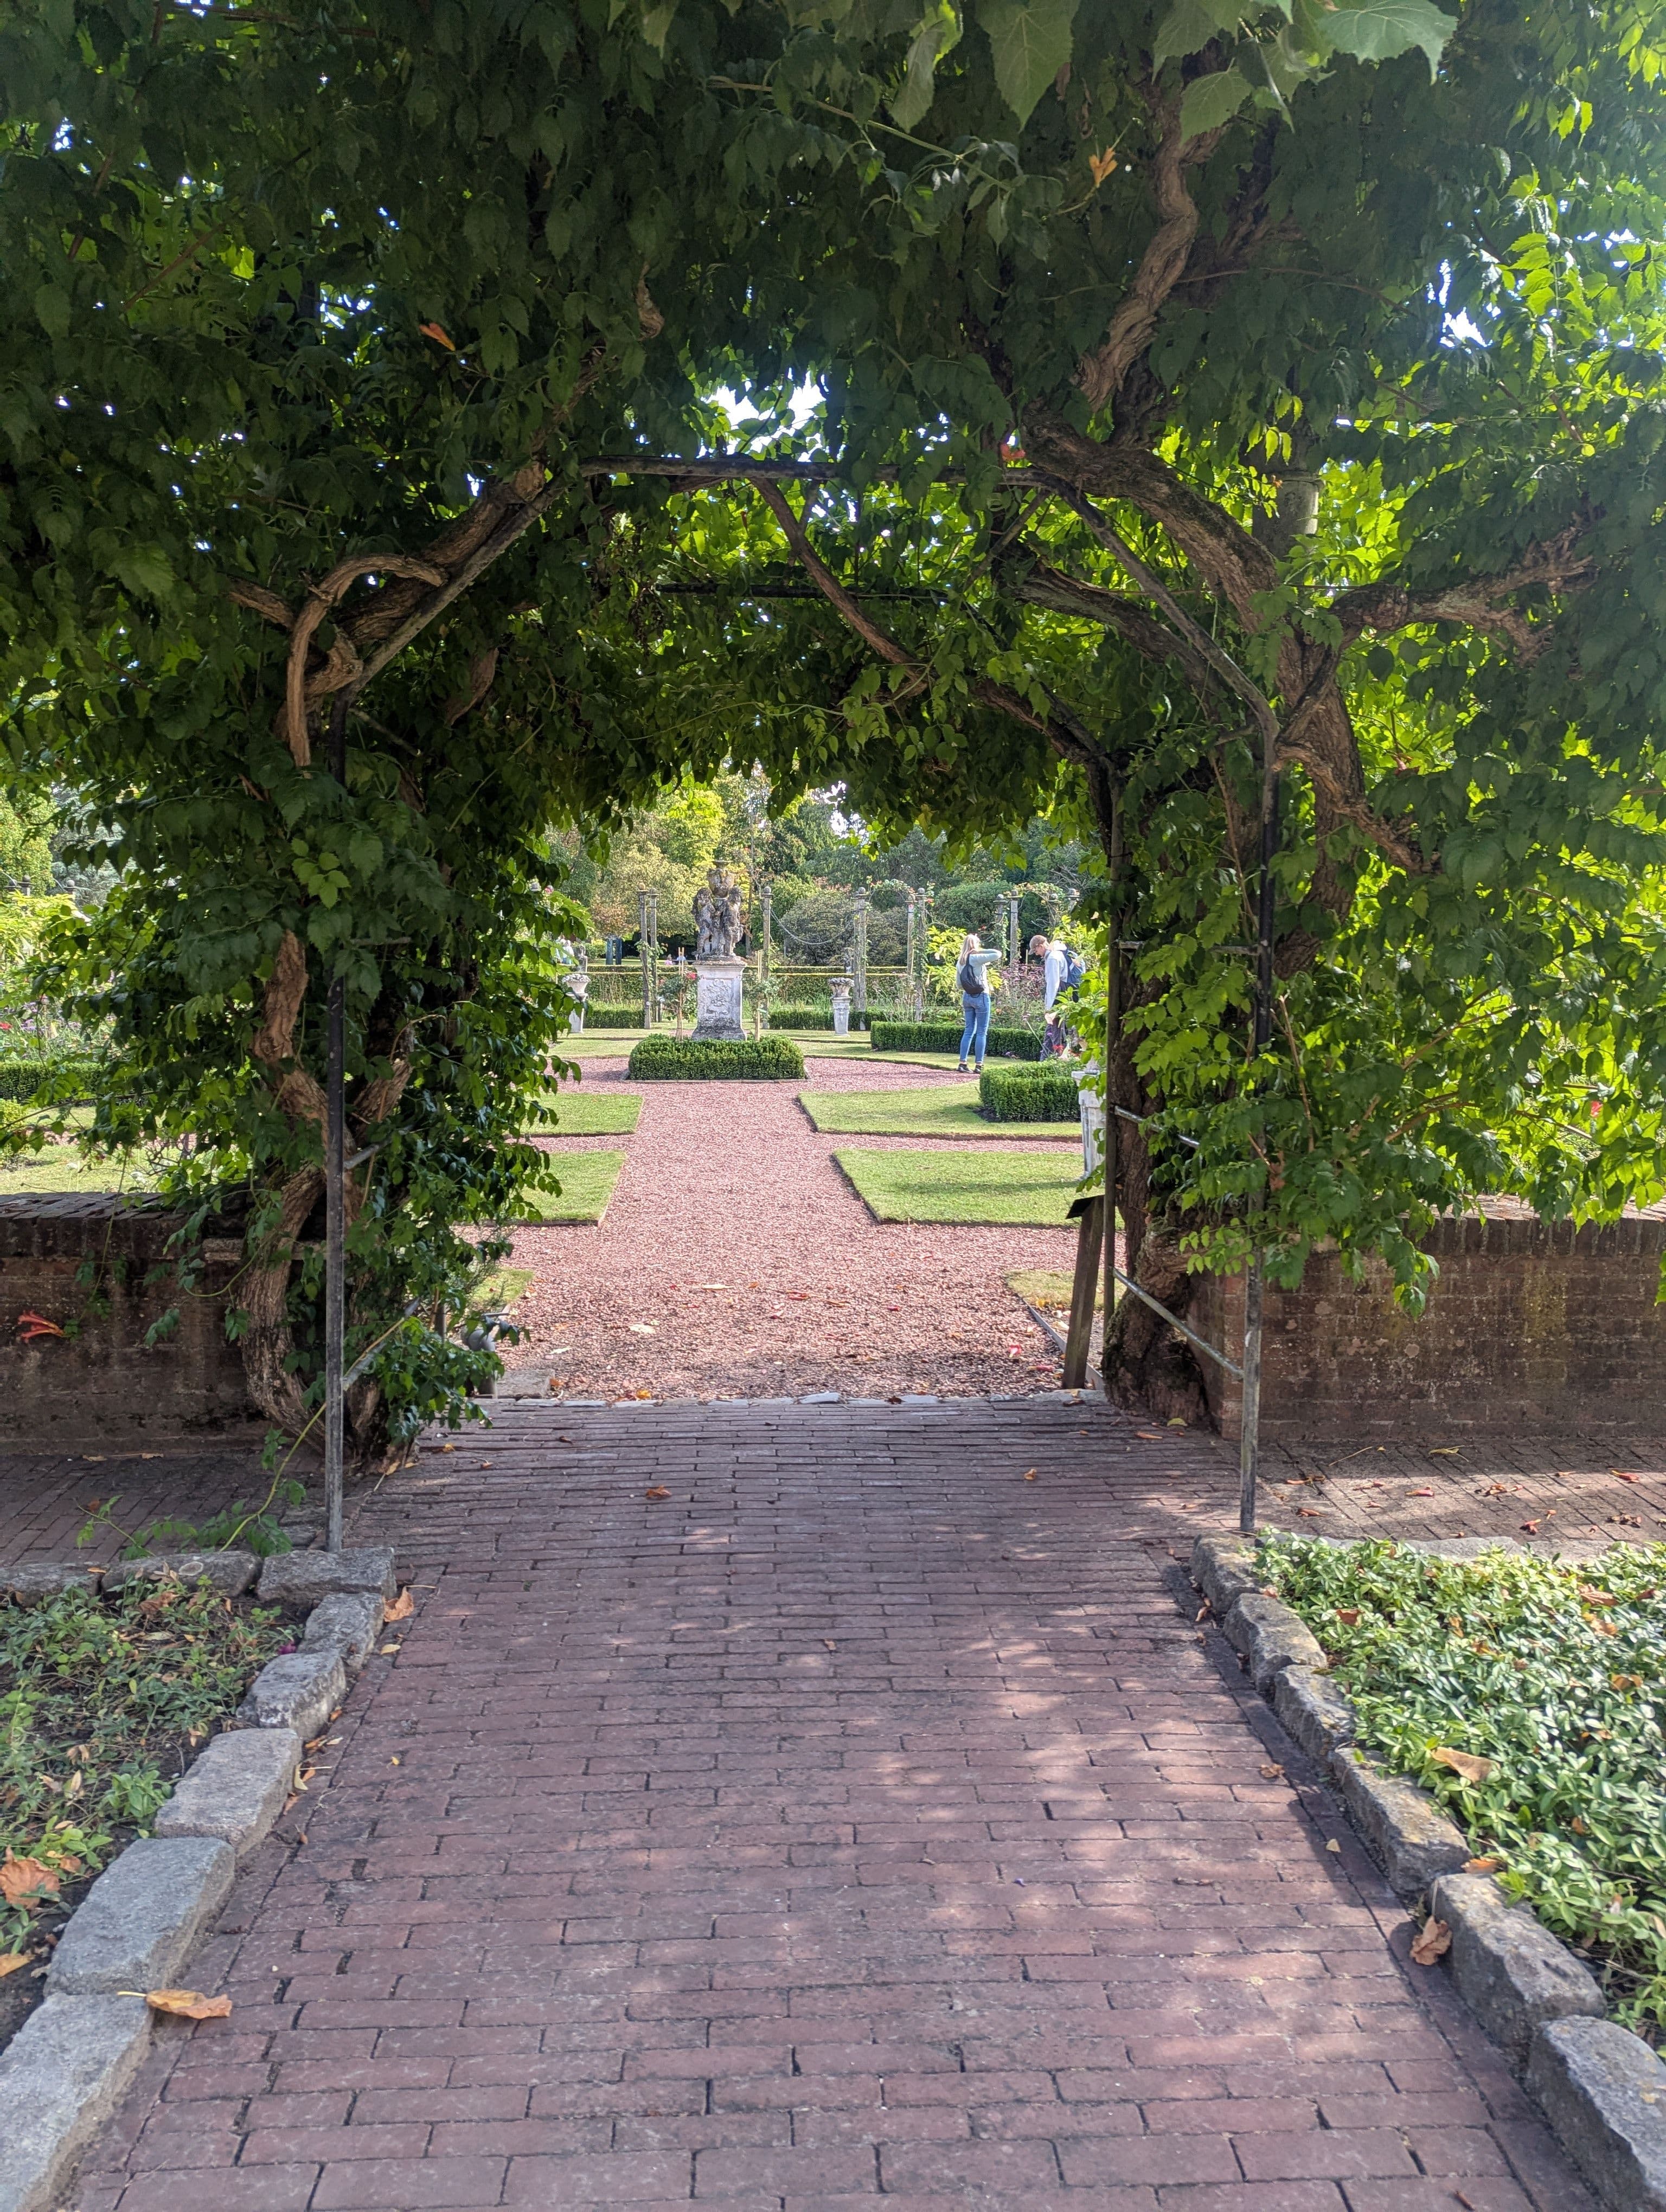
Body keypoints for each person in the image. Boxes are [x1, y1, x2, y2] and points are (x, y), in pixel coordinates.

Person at [956, 932, 999, 1071]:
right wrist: (980, 951)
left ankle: (962, 1063)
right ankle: (979, 1065)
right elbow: (997, 954)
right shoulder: (976, 958)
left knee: (969, 1030)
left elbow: (959, 984)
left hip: (967, 997)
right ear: (975, 945)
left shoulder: (960, 961)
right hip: (981, 995)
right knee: (982, 1032)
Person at [1030, 931, 1069, 1011]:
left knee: (1053, 1023)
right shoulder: (1058, 953)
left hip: (1059, 995)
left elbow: (1053, 984)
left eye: (1036, 951)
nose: (1036, 954)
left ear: (1041, 946)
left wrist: (1049, 1008)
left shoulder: (1052, 958)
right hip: (1067, 993)